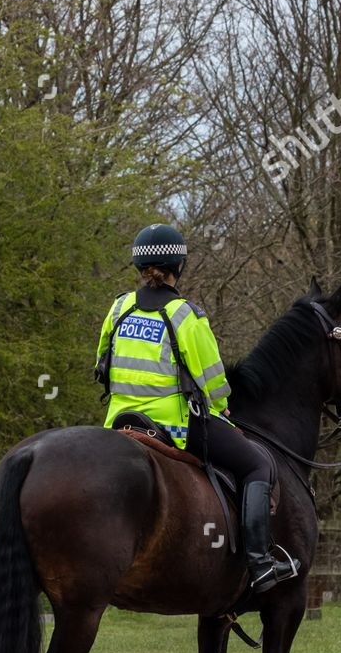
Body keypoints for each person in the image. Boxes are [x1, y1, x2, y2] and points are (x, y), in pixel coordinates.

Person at [94, 222, 298, 593]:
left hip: (120, 421)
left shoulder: (119, 308)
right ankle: (260, 563)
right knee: (257, 462)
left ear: (139, 266)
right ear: (179, 266)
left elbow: (101, 366)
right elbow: (214, 382)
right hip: (175, 426)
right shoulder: (186, 316)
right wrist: (222, 410)